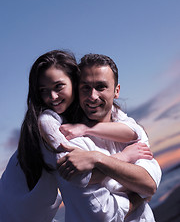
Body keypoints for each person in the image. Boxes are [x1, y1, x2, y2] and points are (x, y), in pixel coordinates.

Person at [0, 50, 151, 222]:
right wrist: (124, 157)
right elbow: (79, 177)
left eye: (58, 86)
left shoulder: (84, 117)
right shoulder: (48, 122)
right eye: (43, 91)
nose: (52, 97)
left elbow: (135, 131)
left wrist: (86, 130)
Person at [56, 53, 162, 221]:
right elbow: (101, 214)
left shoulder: (127, 126)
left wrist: (97, 159)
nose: (92, 96)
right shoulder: (71, 141)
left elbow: (149, 183)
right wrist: (137, 197)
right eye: (85, 87)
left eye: (100, 87)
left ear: (116, 91)